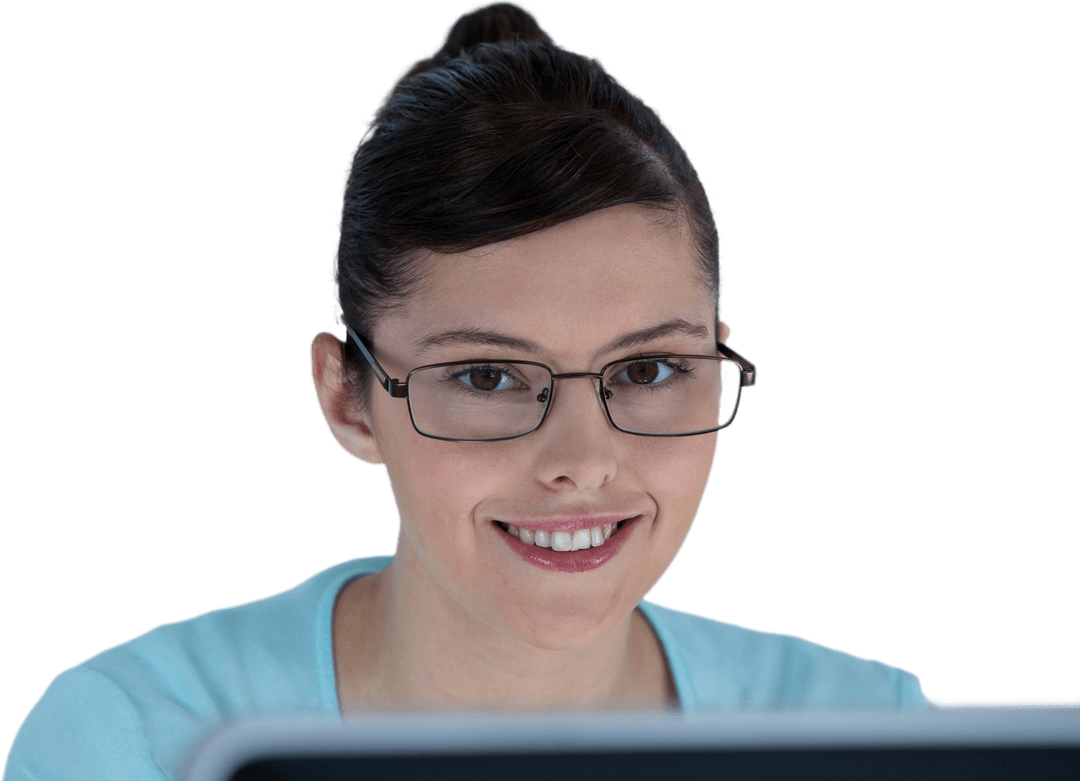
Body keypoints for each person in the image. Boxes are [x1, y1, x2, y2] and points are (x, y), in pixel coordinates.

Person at [2, 3, 927, 779]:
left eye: (647, 370)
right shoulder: (129, 744)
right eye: (488, 377)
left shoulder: (873, 735)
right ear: (348, 398)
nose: (582, 462)